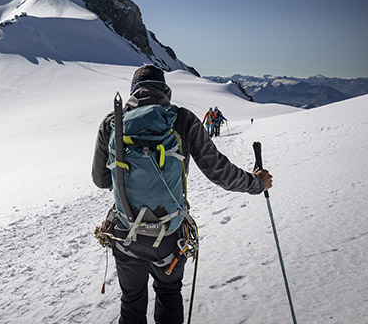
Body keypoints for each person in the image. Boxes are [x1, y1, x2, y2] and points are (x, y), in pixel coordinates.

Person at [91, 65, 272, 324]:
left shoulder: (112, 122)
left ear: (133, 90)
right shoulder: (182, 119)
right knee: (168, 293)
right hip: (170, 236)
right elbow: (219, 171)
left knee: (131, 302)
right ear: (165, 89)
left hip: (126, 233)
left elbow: (100, 180)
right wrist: (256, 183)